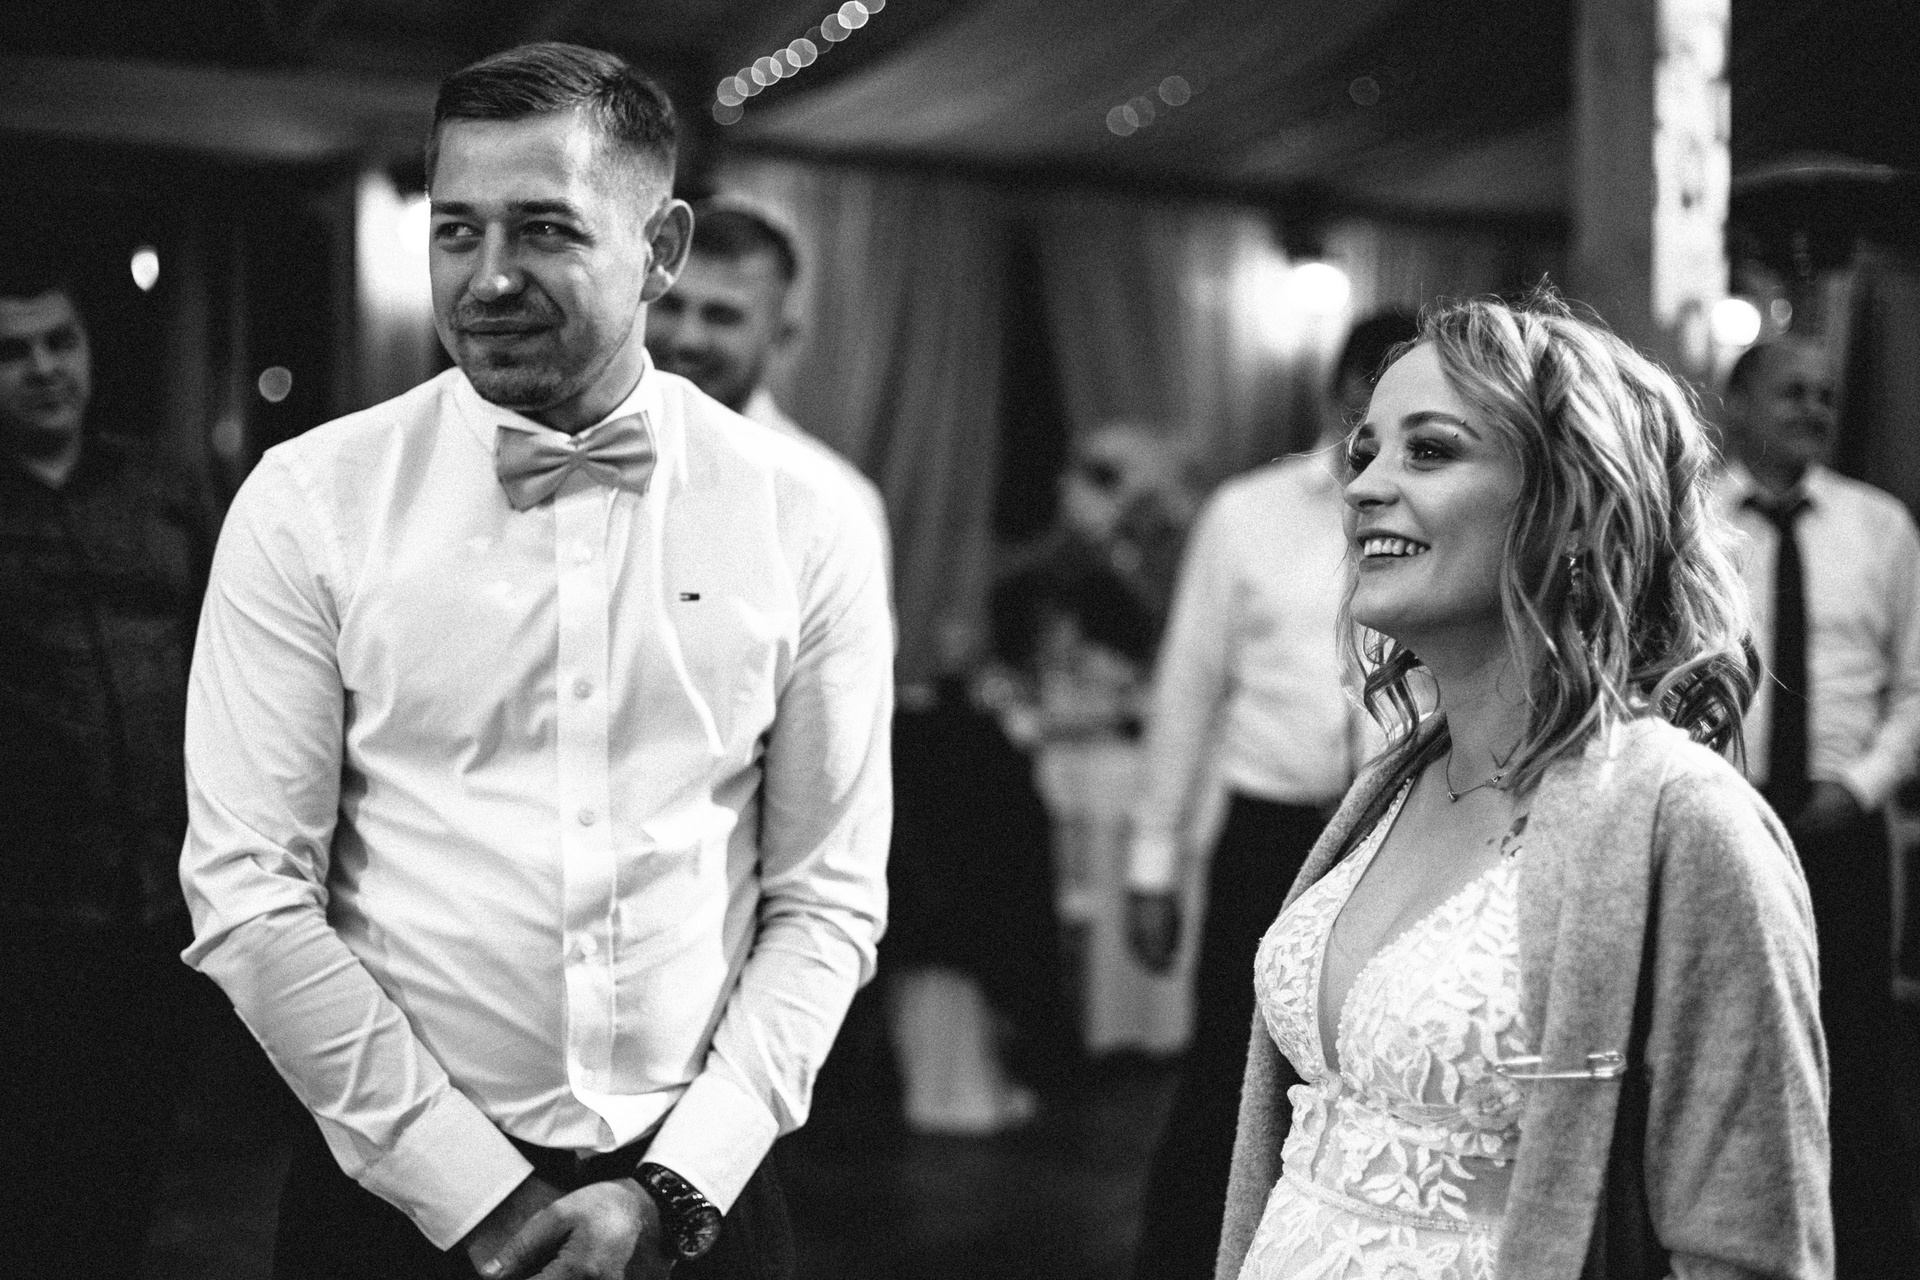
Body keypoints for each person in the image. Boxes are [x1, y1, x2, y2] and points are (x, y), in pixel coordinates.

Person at [179, 43, 892, 1280]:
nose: (490, 276)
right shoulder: (308, 501)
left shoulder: (804, 515)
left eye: (545, 228)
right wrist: (478, 1193)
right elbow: (249, 891)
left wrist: (678, 1184)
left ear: (661, 248)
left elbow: (826, 895)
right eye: (456, 229)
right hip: (393, 1201)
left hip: (699, 1197)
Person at [1217, 295, 1830, 1280]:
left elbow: (1749, 1242)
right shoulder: (1389, 783)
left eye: (1429, 451)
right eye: (1364, 453)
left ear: (1573, 505)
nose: (1363, 486)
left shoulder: (1679, 816)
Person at [1123, 312, 1416, 1280]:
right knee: (1227, 1071)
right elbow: (1187, 689)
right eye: (1369, 394)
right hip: (1268, 828)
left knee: (1377, 1067)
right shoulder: (1245, 513)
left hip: (1401, 827)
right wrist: (1152, 862)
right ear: (1336, 393)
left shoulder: (1449, 518)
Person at [0, 252, 215, 1272]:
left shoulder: (164, 483)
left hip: (164, 901)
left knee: (136, 1161)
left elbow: (230, 655)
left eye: (61, 341)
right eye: (13, 352)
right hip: (26, 911)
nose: (45, 368)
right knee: (32, 1175)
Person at [1717, 335, 1920, 1276]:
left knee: (1854, 1045)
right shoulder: (1688, 521)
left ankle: (1864, 1251)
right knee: (1729, 1040)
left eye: (1826, 393)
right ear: (1739, 402)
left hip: (1845, 821)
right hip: (1724, 817)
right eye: (1792, 391)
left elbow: (1916, 686)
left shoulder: (1880, 528)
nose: (1814, 408)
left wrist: (1864, 784)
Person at [989, 420, 1202, 1054]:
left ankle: (1131, 1025)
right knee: (1071, 893)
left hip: (1126, 749)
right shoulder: (1050, 569)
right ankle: (1077, 1028)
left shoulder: (1159, 560)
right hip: (1068, 748)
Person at [645, 196, 888, 551]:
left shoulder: (833, 504)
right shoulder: (575, 452)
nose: (687, 339)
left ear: (782, 334)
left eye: (722, 316)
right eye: (670, 305)